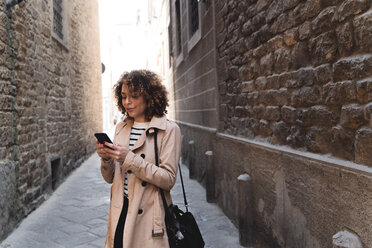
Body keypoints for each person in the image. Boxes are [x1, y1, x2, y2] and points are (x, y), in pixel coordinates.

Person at [96, 70, 182, 248]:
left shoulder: (168, 130)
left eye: (134, 96)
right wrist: (106, 159)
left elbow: (168, 179)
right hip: (120, 212)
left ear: (149, 96)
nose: (127, 102)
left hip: (148, 218)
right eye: (123, 96)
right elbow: (110, 178)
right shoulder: (121, 127)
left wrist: (130, 159)